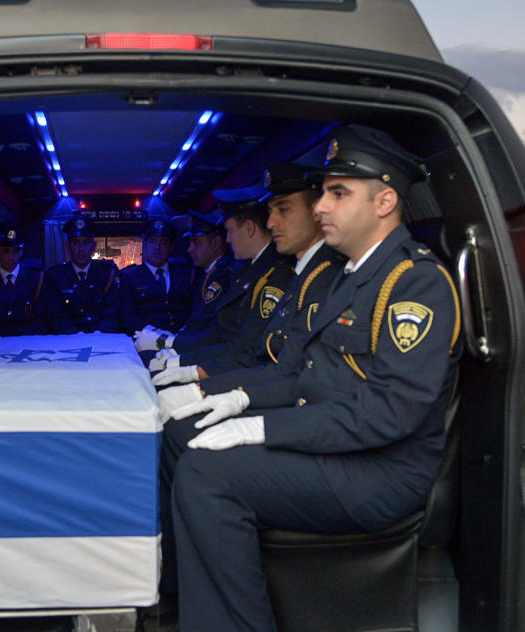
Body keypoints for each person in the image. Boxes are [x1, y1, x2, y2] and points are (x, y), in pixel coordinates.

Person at [160, 125, 462, 631]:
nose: (321, 206)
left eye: (338, 193)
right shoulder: (353, 275)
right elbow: (302, 376)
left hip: (382, 473)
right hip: (339, 446)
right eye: (323, 192)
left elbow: (390, 412)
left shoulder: (414, 283)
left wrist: (262, 428)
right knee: (188, 437)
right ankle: (186, 603)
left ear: (385, 200)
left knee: (206, 476)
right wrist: (233, 400)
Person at [150, 162, 343, 385]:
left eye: (284, 209)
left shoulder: (291, 273)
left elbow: (256, 352)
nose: (271, 223)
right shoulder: (260, 269)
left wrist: (193, 371)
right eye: (271, 212)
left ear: (316, 212)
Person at [136, 185, 294, 361]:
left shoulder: (268, 271)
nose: (227, 239)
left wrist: (180, 357)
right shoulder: (244, 268)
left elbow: (242, 342)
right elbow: (222, 328)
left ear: (249, 228)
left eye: (229, 231)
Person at [120, 219, 198, 334]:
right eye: (152, 242)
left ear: (171, 248)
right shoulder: (129, 276)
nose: (157, 247)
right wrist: (153, 332)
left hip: (184, 337)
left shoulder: (186, 274)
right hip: (147, 339)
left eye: (163, 242)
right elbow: (127, 317)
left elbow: (196, 310)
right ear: (144, 246)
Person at [45, 216, 121, 333]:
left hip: (101, 337)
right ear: (68, 246)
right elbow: (57, 315)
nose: (81, 249)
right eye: (75, 243)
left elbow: (111, 313)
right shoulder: (55, 276)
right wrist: (76, 336)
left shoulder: (107, 274)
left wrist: (98, 335)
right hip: (69, 338)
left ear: (93, 246)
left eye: (86, 242)